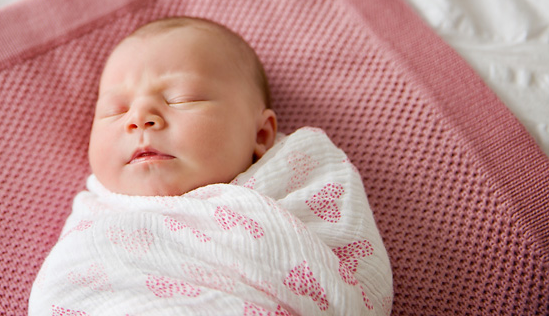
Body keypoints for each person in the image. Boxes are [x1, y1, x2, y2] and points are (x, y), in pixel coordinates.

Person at [30, 17, 393, 315]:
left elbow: (355, 280)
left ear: (262, 134)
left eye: (182, 98)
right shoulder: (96, 224)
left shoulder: (301, 179)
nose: (139, 118)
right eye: (116, 109)